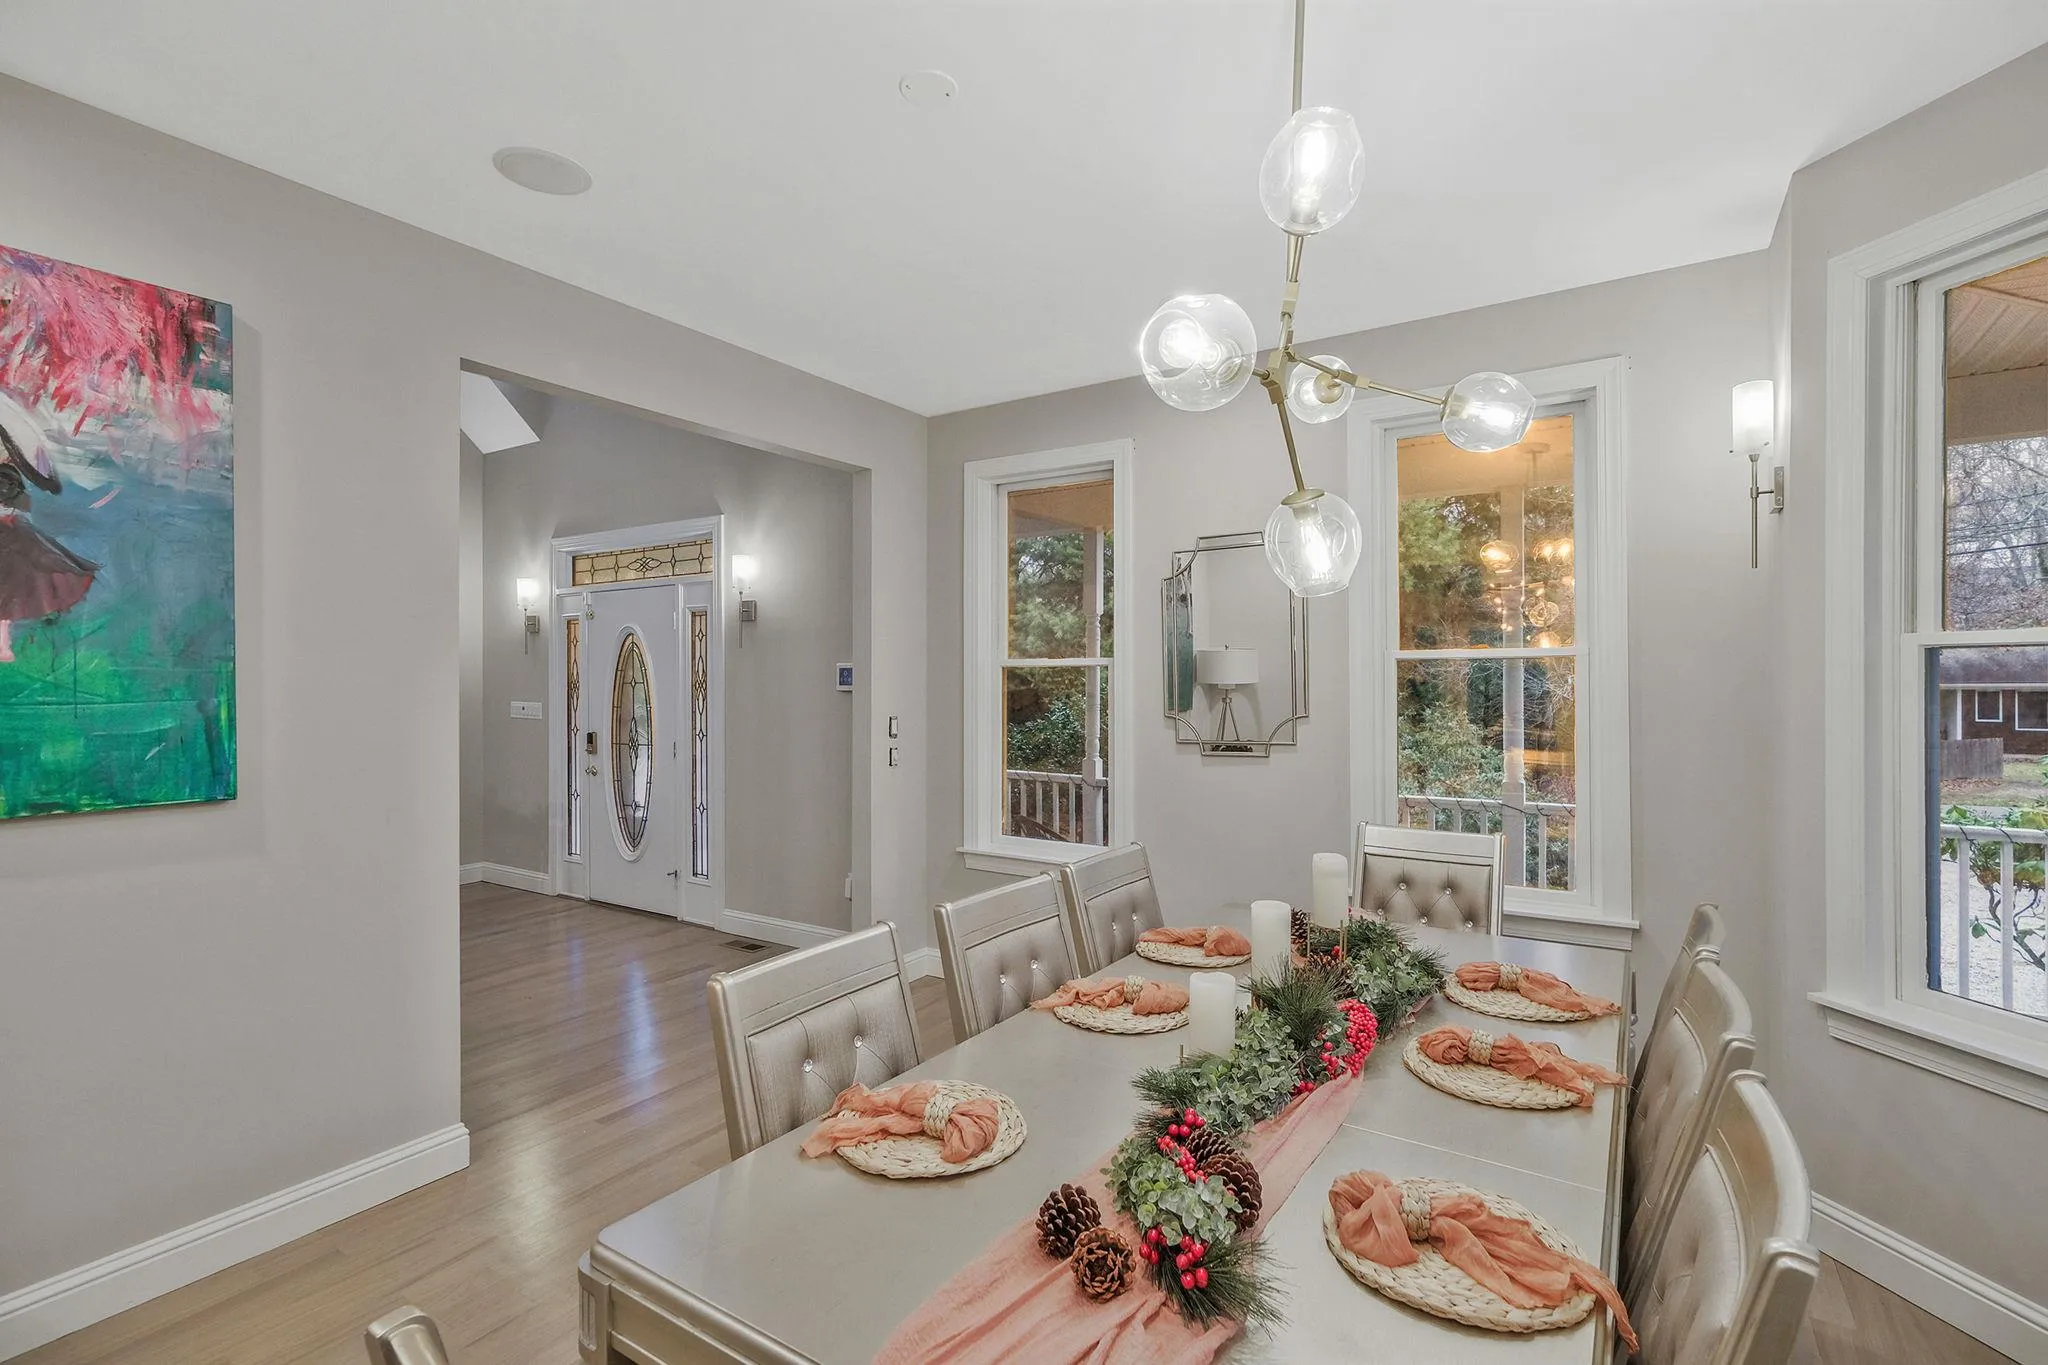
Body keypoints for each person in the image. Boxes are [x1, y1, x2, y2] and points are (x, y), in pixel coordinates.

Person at [0, 403, 96, 664]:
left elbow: (37, 480)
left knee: (10, 587)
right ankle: (3, 641)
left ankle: (3, 642)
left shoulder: (12, 440)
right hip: (11, 519)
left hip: (9, 524)